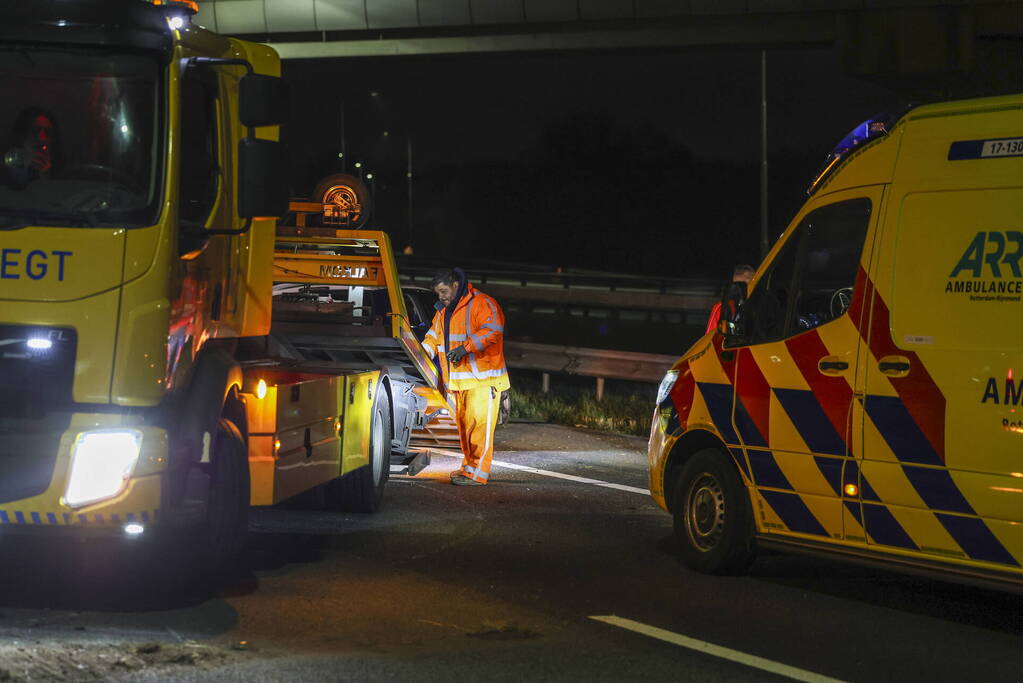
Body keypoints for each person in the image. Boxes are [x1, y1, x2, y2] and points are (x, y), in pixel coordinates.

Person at [422, 267, 511, 486]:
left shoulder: (482, 303)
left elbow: (493, 329)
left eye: (443, 291)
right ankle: (469, 468)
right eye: (438, 293)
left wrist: (466, 348)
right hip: (459, 381)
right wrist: (420, 354)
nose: (441, 297)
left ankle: (478, 473)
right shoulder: (444, 311)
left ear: (455, 285)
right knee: (466, 429)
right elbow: (433, 337)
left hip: (483, 380)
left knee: (479, 429)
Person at [2, 108, 58, 187]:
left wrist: (45, 175)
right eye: (35, 130)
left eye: (47, 132)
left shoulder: (62, 174)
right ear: (22, 136)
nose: (42, 137)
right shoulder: (8, 166)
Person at [706, 264, 755, 334]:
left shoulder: (760, 305)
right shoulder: (720, 307)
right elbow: (710, 337)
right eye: (736, 286)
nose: (740, 290)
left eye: (744, 287)